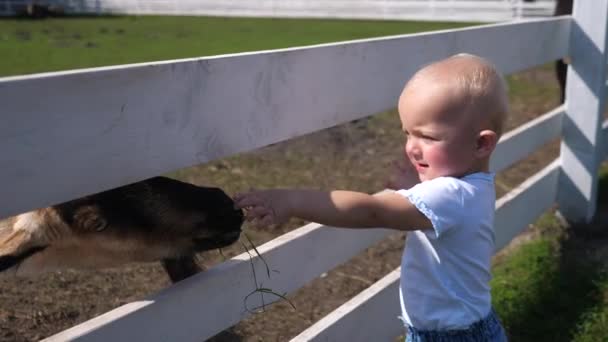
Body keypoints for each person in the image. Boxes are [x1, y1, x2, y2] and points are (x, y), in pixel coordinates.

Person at [234, 53, 509, 341]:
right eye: (408, 134)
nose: (411, 148)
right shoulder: (474, 186)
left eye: (427, 137)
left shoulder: (451, 195)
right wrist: (416, 188)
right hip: (467, 325)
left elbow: (373, 211)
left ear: (481, 143)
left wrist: (292, 201)